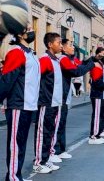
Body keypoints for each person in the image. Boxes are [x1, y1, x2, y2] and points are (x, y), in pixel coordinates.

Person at [0, 26, 42, 179]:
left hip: (29, 105)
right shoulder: (16, 52)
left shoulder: (30, 53)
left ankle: (16, 175)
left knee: (21, 143)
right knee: (15, 144)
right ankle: (12, 177)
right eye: (28, 28)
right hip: (18, 104)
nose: (32, 31)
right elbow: (7, 79)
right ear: (19, 34)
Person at [52, 39, 94, 161]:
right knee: (58, 124)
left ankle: (60, 149)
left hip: (64, 95)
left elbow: (80, 65)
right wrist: (90, 65)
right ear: (63, 48)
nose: (73, 47)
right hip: (59, 95)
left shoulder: (70, 59)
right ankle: (54, 151)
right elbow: (76, 71)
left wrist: (89, 60)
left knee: (62, 122)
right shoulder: (63, 59)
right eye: (70, 45)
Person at [34, 32, 63, 173]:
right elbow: (36, 79)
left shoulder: (56, 60)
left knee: (50, 132)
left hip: (55, 102)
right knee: (42, 132)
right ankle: (38, 162)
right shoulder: (45, 60)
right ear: (50, 44)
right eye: (59, 42)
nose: (61, 45)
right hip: (46, 102)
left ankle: (46, 159)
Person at [89, 47, 104, 144]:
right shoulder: (96, 66)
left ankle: (98, 133)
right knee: (97, 115)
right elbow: (96, 82)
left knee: (101, 115)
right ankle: (94, 136)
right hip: (98, 94)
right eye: (103, 54)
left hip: (102, 94)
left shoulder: (102, 66)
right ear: (98, 54)